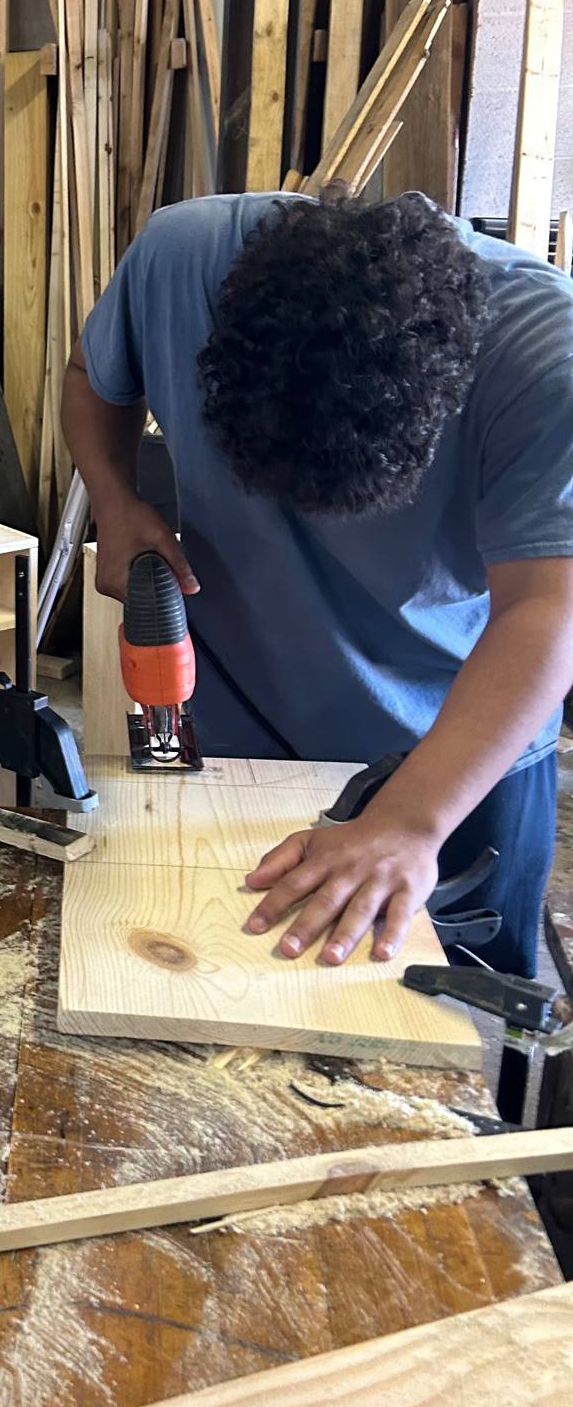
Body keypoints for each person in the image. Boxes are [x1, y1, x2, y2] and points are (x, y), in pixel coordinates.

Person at [63, 188, 573, 982]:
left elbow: (551, 607)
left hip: (458, 743)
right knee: (230, 976)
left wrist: (410, 821)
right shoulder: (177, 259)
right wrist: (115, 497)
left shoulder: (550, 358)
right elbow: (92, 378)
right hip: (243, 720)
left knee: (468, 1018)